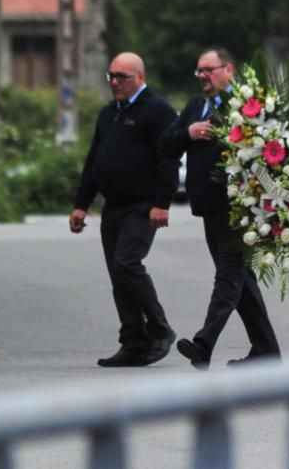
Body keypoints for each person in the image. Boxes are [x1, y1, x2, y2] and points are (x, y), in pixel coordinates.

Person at [162, 46, 280, 369]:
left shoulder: (246, 105)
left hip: (239, 209)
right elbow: (167, 144)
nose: (202, 76)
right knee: (241, 280)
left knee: (229, 276)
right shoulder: (196, 106)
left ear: (228, 70)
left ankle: (204, 344)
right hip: (208, 207)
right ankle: (267, 351)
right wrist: (189, 132)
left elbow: (269, 151)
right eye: (199, 70)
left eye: (208, 70)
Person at [70, 52, 180, 367]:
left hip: (143, 205)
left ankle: (160, 329)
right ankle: (133, 342)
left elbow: (168, 160)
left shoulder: (158, 111)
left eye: (123, 77)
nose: (115, 83)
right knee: (118, 274)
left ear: (140, 77)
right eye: (111, 77)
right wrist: (81, 205)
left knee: (127, 262)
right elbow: (93, 162)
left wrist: (162, 203)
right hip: (113, 206)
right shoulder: (109, 114)